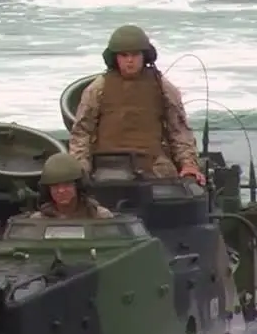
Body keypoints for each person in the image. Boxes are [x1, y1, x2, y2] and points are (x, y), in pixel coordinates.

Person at [68, 25, 206, 184]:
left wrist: (188, 164)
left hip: (153, 163)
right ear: (115, 58)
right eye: (124, 55)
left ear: (144, 56)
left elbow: (179, 130)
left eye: (135, 54)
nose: (130, 60)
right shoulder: (98, 88)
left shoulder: (162, 88)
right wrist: (80, 169)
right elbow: (82, 132)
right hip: (107, 164)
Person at [27, 153, 114, 219]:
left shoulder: (99, 216)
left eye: (67, 184)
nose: (61, 191)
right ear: (48, 190)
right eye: (55, 186)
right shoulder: (40, 219)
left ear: (78, 185)